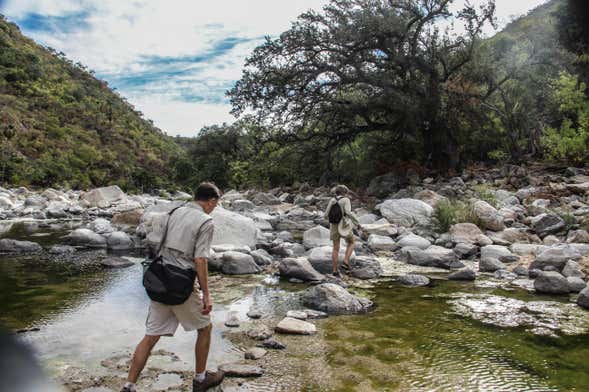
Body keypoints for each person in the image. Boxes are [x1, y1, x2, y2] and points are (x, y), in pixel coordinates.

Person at [121, 182, 224, 392]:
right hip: (181, 285)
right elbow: (201, 260)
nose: (215, 207)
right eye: (216, 203)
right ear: (211, 201)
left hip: (159, 280)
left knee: (150, 337)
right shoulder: (206, 221)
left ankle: (128, 385)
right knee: (205, 328)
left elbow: (154, 243)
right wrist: (207, 295)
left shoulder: (173, 212)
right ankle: (200, 379)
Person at [324, 184, 362, 277]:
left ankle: (334, 270)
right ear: (345, 193)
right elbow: (348, 213)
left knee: (335, 248)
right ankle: (345, 261)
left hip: (334, 226)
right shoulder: (346, 200)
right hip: (344, 226)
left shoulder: (332, 200)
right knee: (351, 242)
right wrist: (357, 223)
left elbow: (325, 215)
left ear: (336, 192)